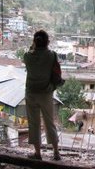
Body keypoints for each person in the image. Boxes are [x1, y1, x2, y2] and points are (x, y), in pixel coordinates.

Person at [23, 30, 61, 161]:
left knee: (34, 123)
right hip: (46, 93)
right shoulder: (52, 55)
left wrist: (33, 46)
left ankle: (38, 154)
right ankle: (56, 153)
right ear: (48, 42)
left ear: (34, 42)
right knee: (49, 122)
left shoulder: (27, 56)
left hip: (31, 93)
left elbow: (29, 52)